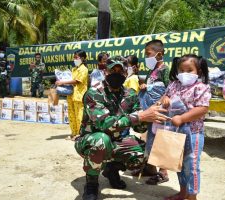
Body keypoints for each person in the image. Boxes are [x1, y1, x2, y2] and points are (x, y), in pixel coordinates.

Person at [74, 58, 169, 200]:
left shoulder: (130, 94)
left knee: (144, 153)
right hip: (90, 141)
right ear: (105, 71)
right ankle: (92, 184)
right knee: (101, 139)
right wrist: (139, 116)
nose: (116, 74)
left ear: (126, 73)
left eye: (120, 71)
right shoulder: (94, 93)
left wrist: (151, 114)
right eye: (113, 70)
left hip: (117, 141)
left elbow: (140, 128)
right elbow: (104, 124)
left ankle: (111, 169)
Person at [162, 54, 211, 200]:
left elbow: (202, 109)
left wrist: (182, 118)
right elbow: (165, 97)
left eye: (189, 70)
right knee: (179, 164)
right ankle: (183, 192)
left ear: (199, 71)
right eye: (181, 70)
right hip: (175, 132)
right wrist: (164, 99)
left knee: (192, 165)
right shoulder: (173, 85)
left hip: (193, 133)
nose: (185, 74)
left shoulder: (201, 87)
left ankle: (192, 196)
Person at [138, 39, 170, 184]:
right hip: (150, 109)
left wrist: (159, 103)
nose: (146, 57)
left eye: (148, 54)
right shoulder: (152, 70)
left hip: (160, 110)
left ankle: (163, 172)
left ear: (159, 54)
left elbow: (169, 90)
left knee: (160, 139)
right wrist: (145, 86)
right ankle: (150, 167)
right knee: (150, 138)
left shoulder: (165, 69)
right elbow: (152, 85)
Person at [56, 50, 88, 141]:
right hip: (71, 95)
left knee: (79, 116)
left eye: (76, 57)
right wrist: (61, 80)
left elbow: (77, 81)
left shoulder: (84, 69)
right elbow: (70, 80)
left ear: (82, 58)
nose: (75, 59)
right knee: (71, 115)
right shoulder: (74, 69)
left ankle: (80, 134)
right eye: (74, 57)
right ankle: (74, 133)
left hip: (79, 96)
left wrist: (62, 82)